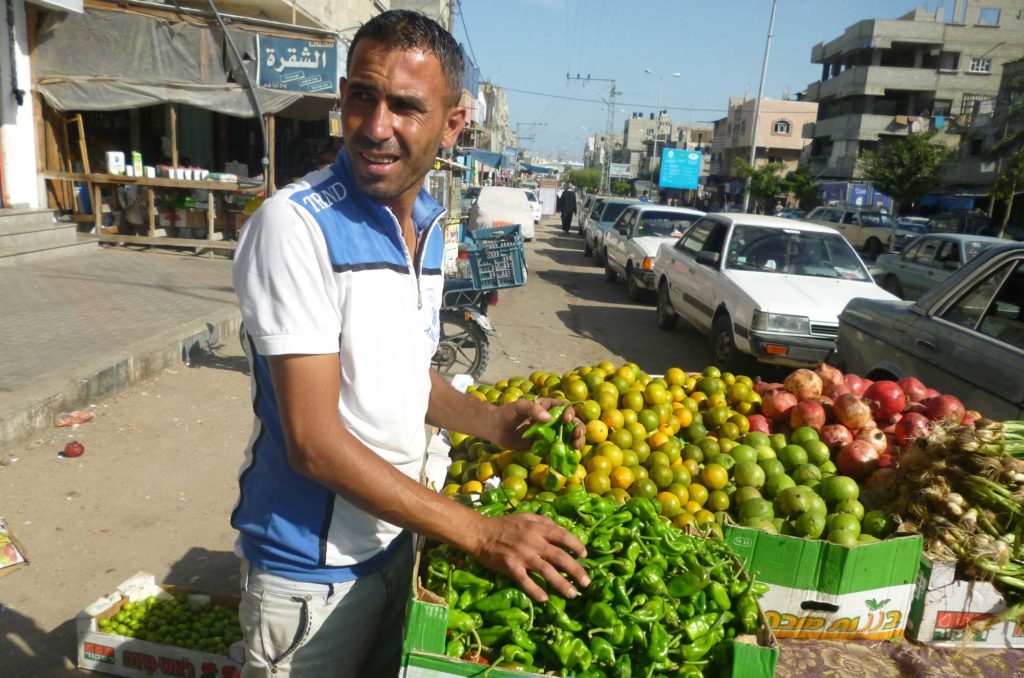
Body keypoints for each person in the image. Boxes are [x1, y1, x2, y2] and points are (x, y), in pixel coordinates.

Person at [231, 11, 588, 677]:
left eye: (405, 106)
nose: (375, 126)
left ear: (453, 123)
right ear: (342, 96)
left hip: (400, 540)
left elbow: (400, 375)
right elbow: (312, 440)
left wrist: (491, 422)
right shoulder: (296, 227)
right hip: (314, 573)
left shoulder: (424, 225)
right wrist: (481, 532)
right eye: (363, 96)